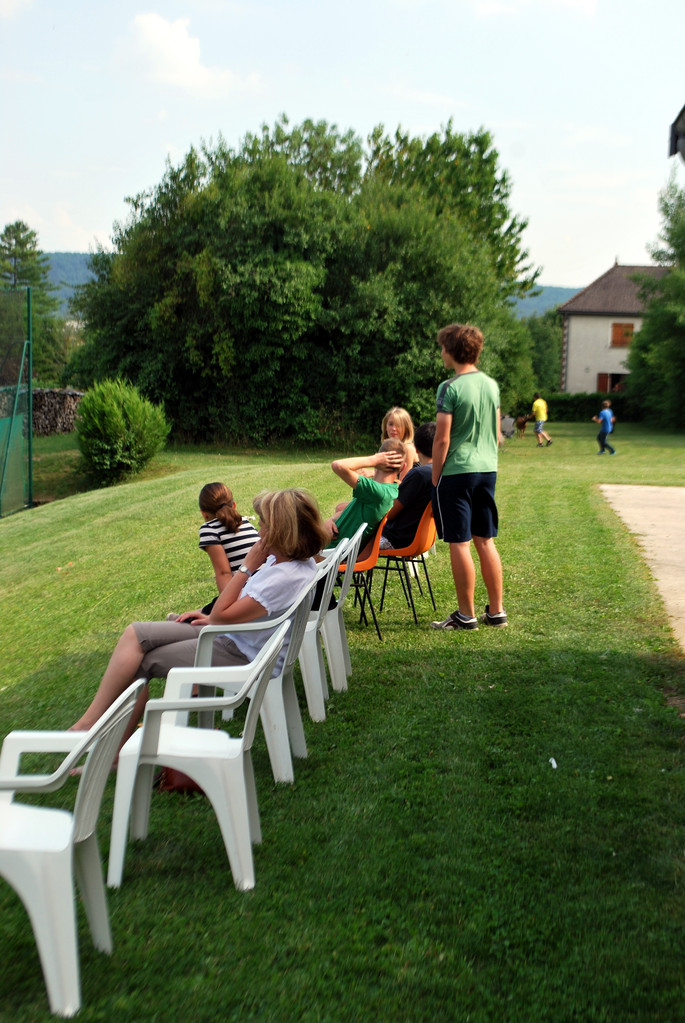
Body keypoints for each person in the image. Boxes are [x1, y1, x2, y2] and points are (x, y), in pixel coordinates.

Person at [69, 488, 330, 748]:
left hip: (241, 651)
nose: (259, 530)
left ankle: (109, 747)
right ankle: (90, 723)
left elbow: (222, 613)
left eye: (262, 523)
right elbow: (235, 611)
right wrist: (212, 618)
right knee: (137, 634)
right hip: (234, 634)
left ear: (280, 531)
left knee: (141, 664)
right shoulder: (295, 563)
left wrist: (247, 566)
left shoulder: (282, 576)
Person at [430, 323, 507, 631]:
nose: (441, 353)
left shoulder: (449, 387)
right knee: (485, 540)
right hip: (488, 470)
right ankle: (497, 611)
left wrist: (435, 477)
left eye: (442, 348)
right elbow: (498, 433)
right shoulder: (491, 384)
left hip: (457, 472)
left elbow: (442, 439)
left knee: (459, 542)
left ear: (452, 351)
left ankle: (466, 615)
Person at [168, 482, 260, 622]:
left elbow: (224, 573)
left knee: (209, 613)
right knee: (211, 606)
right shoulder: (246, 522)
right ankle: (186, 616)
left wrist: (228, 606)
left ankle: (183, 620)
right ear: (234, 505)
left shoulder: (209, 530)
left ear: (204, 514)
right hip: (260, 584)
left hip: (244, 591)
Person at [324, 439, 405, 557]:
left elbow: (338, 465)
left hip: (328, 556)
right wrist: (330, 520)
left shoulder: (377, 492)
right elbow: (353, 510)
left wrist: (373, 460)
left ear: (379, 457)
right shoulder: (391, 490)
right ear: (403, 468)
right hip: (329, 548)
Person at [380, 422, 436, 550]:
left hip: (395, 538)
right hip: (420, 538)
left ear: (415, 449)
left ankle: (337, 566)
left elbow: (390, 512)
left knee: (351, 528)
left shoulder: (419, 475)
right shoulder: (440, 472)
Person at [381, 407, 418, 479]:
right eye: (391, 424)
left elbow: (403, 483)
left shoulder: (408, 449)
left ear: (406, 428)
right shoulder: (390, 448)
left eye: (398, 425)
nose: (393, 429)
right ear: (385, 426)